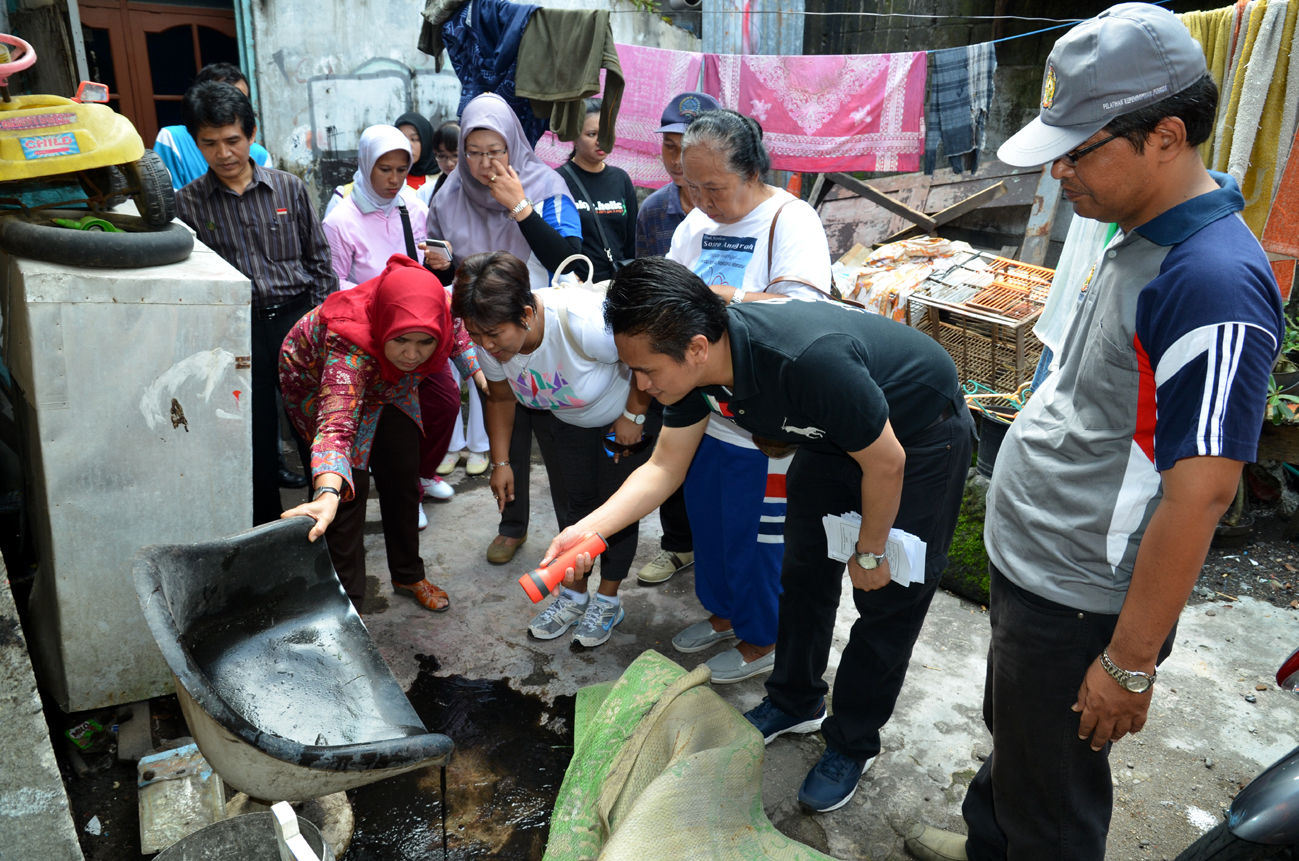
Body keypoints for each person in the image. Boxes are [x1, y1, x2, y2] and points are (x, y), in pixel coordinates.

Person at [902, 6, 1283, 861]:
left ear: (1166, 135)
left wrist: (1128, 661)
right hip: (1037, 563)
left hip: (1081, 594)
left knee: (1056, 804)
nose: (1059, 173)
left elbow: (1203, 488)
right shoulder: (1135, 228)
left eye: (1078, 150)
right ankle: (986, 840)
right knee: (1018, 741)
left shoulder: (1210, 282)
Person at [541, 256, 972, 810]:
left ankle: (852, 741)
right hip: (829, 442)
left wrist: (868, 552)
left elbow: (886, 463)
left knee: (887, 598)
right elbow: (664, 467)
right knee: (803, 574)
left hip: (915, 440)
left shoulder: (806, 360)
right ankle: (795, 700)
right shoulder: (693, 373)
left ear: (696, 347)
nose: (639, 387)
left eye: (645, 371)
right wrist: (586, 530)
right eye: (631, 370)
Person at [658, 108, 834, 687]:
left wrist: (720, 295)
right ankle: (723, 615)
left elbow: (804, 313)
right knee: (709, 525)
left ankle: (763, 640)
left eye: (715, 187)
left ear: (752, 170)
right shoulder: (694, 226)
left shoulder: (790, 219)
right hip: (705, 416)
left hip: (766, 428)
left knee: (760, 541)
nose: (703, 200)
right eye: (692, 186)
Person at [452, 251, 655, 648]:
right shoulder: (490, 341)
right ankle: (575, 594)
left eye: (494, 334)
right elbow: (499, 397)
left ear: (526, 314)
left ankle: (609, 599)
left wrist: (634, 416)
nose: (486, 346)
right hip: (567, 419)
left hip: (623, 416)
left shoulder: (582, 322)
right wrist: (502, 461)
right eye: (476, 336)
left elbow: (644, 358)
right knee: (575, 507)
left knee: (617, 510)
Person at [426, 92, 582, 565]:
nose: (483, 164)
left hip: (542, 336)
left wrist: (520, 208)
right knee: (505, 437)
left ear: (514, 144)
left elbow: (571, 262)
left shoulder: (546, 185)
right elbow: (441, 276)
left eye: (495, 151)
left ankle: (572, 534)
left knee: (559, 445)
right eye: (473, 152)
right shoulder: (448, 195)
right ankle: (511, 526)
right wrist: (444, 267)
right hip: (491, 343)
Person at [175, 82, 337, 526]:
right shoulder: (187, 204)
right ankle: (267, 530)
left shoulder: (289, 189)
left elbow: (320, 262)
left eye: (232, 140)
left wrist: (321, 327)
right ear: (197, 142)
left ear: (251, 134)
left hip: (296, 322)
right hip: (235, 335)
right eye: (209, 143)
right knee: (251, 434)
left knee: (313, 427)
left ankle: (328, 522)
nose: (223, 153)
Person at [280, 256, 468, 613]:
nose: (413, 354)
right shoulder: (349, 345)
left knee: (403, 470)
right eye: (403, 341)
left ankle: (408, 574)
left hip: (391, 386)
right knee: (348, 496)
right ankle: (343, 609)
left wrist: (481, 375)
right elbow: (335, 426)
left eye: (424, 342)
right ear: (385, 327)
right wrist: (328, 490)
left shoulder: (439, 307)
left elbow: (456, 333)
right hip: (320, 381)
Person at [321, 124, 486, 528]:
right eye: (385, 169)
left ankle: (420, 475)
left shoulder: (410, 205)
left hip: (417, 329)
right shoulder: (341, 220)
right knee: (387, 420)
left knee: (445, 402)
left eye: (401, 168)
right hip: (372, 335)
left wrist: (439, 264)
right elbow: (332, 283)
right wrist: (383, 297)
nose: (394, 179)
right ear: (365, 165)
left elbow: (422, 255)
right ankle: (402, 492)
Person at [628, 90, 720, 587]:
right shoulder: (653, 212)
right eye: (669, 147)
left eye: (687, 146)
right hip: (671, 358)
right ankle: (679, 546)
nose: (678, 159)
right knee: (670, 454)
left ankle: (716, 551)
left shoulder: (734, 210)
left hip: (721, 357)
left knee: (720, 463)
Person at [154, 63, 272, 189]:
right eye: (209, 144)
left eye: (241, 99)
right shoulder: (172, 139)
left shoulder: (261, 155)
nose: (224, 154)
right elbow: (166, 199)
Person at [558, 98, 638, 283]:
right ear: (574, 137)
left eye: (607, 133)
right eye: (592, 134)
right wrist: (568, 277)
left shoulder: (621, 179)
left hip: (617, 286)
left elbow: (632, 240)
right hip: (576, 288)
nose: (601, 141)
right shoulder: (558, 181)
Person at [418, 121, 461, 205]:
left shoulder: (478, 191)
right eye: (442, 156)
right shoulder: (426, 192)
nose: (449, 163)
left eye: (455, 155)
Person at [394, 112, 437, 194]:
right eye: (402, 138)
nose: (408, 145)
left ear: (426, 142)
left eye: (414, 139)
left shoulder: (445, 176)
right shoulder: (390, 179)